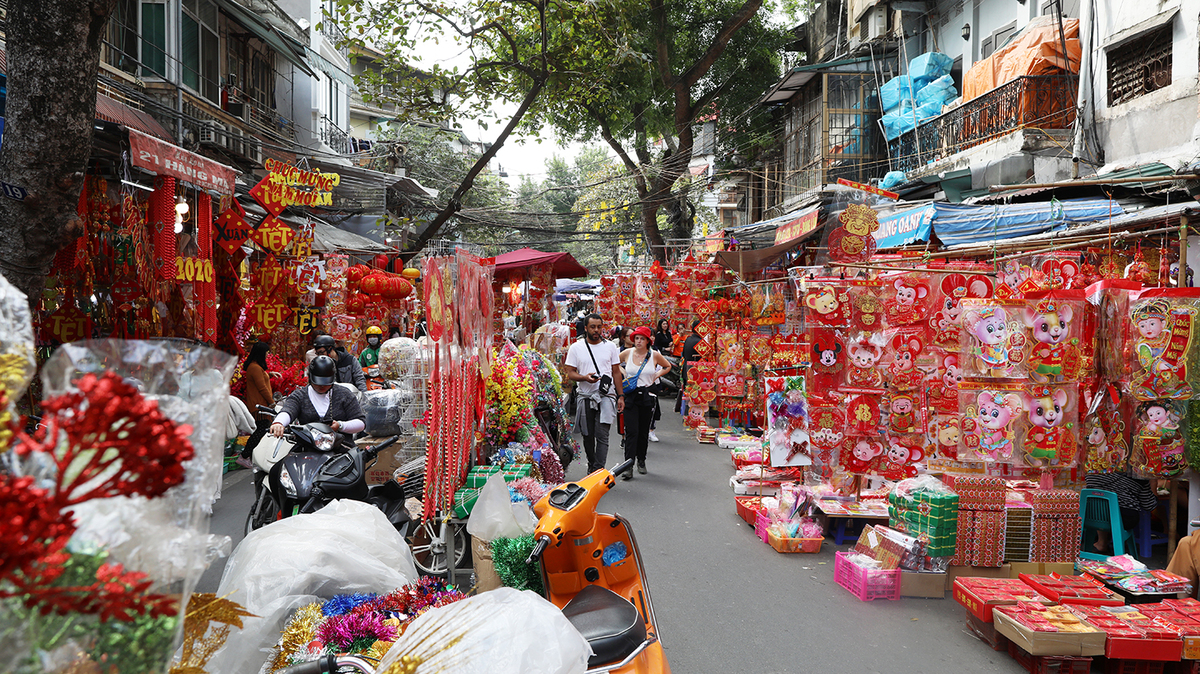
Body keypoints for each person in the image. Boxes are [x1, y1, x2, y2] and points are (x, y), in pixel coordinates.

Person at [564, 313, 625, 474]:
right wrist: (584, 377)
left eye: (599, 326)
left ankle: (598, 470)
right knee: (588, 435)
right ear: (585, 328)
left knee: (602, 434)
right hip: (585, 396)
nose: (596, 330)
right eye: (592, 327)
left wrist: (620, 396)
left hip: (606, 396)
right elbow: (570, 372)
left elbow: (616, 372)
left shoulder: (610, 346)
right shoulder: (576, 348)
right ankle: (592, 463)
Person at [270, 355, 366, 439]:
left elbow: (361, 422)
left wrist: (341, 425)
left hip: (341, 449)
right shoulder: (300, 395)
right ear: (310, 378)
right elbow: (288, 410)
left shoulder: (344, 394)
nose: (322, 386)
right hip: (307, 450)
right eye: (318, 382)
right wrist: (279, 423)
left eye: (326, 383)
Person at [619, 326, 672, 480]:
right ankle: (628, 465)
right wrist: (624, 375)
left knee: (643, 431)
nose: (639, 341)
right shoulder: (627, 353)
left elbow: (668, 366)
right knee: (631, 432)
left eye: (642, 338)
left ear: (648, 341)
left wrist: (656, 375)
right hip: (631, 396)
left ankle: (641, 460)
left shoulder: (654, 355)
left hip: (648, 395)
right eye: (636, 338)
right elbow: (613, 363)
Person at [1084, 471, 1159, 554]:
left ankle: (1102, 543)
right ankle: (1107, 543)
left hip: (1092, 517)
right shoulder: (1138, 477)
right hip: (1124, 520)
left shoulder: (1092, 473)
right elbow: (1149, 506)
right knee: (1115, 509)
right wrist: (1153, 483)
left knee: (1102, 502)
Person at [240, 341, 273, 459]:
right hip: (259, 406)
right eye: (266, 353)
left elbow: (260, 380)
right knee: (260, 431)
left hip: (259, 404)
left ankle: (248, 455)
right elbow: (262, 388)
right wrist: (271, 402)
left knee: (260, 430)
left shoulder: (255, 367)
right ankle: (245, 456)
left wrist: (271, 374)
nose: (267, 355)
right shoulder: (255, 368)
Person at [678, 319, 703, 414]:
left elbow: (683, 354)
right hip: (694, 372)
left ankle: (686, 411)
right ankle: (692, 413)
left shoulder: (688, 339)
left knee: (688, 392)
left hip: (686, 369)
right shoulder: (700, 342)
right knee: (694, 393)